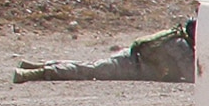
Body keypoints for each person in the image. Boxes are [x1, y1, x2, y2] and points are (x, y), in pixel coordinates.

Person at [13, 20, 195, 84]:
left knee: (89, 66)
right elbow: (192, 75)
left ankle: (43, 65)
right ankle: (38, 73)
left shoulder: (176, 36)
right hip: (130, 66)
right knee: (88, 71)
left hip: (130, 59)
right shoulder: (180, 45)